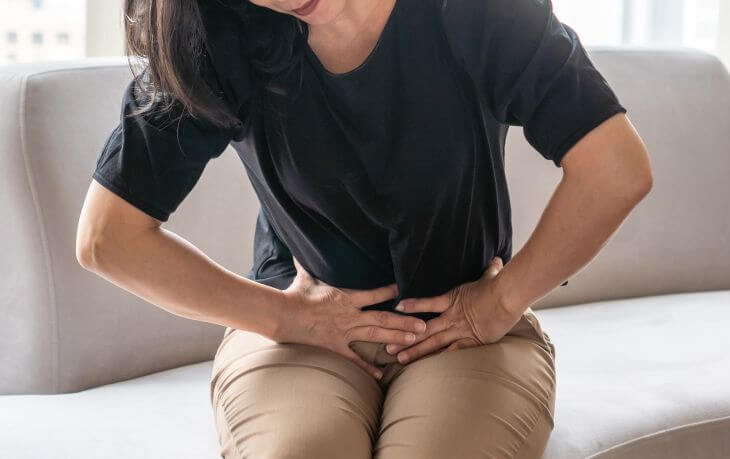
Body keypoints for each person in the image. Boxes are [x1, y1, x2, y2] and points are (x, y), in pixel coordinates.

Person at [76, 0, 653, 457]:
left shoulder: (479, 10)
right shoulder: (217, 31)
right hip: (297, 334)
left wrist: (501, 301)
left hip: (463, 332)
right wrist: (285, 317)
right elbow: (108, 238)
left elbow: (615, 169)